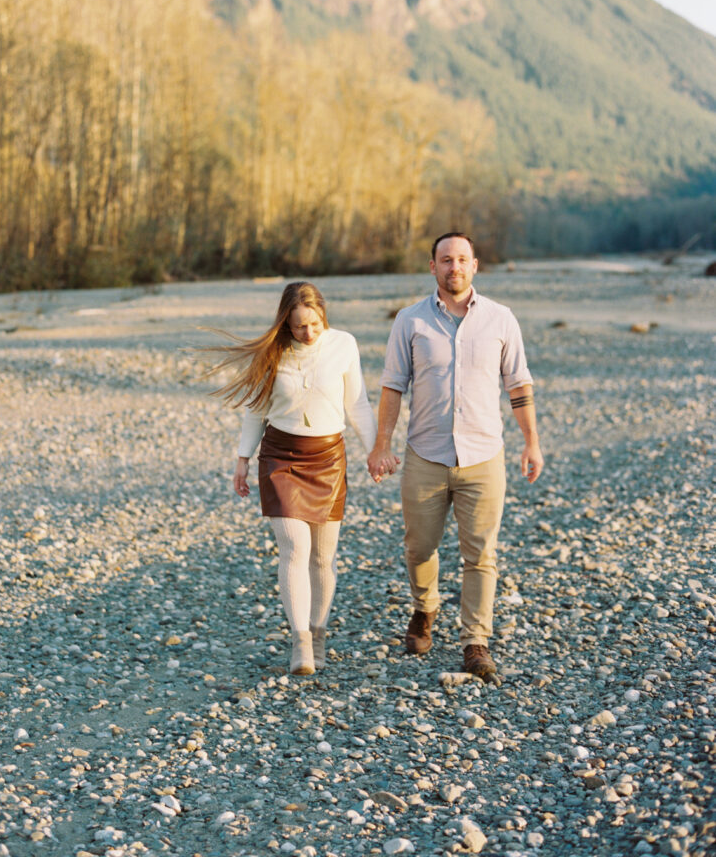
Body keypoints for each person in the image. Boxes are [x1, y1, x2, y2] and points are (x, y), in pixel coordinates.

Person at [367, 232, 543, 680]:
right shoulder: (410, 320)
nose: (454, 267)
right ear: (433, 267)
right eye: (446, 260)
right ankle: (425, 607)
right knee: (419, 547)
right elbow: (392, 387)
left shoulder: (502, 320)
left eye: (462, 259)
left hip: (484, 456)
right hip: (425, 454)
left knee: (480, 554)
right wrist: (382, 444)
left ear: (475, 265)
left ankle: (475, 641)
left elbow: (518, 385)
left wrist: (531, 442)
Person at [208, 282, 376, 676]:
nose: (308, 333)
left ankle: (317, 634)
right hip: (281, 457)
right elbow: (255, 409)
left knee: (322, 556)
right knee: (295, 546)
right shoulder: (273, 351)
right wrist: (242, 459)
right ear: (286, 322)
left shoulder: (343, 345)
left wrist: (375, 450)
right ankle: (300, 642)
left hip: (328, 458)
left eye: (314, 324)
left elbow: (358, 403)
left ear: (324, 317)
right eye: (299, 326)